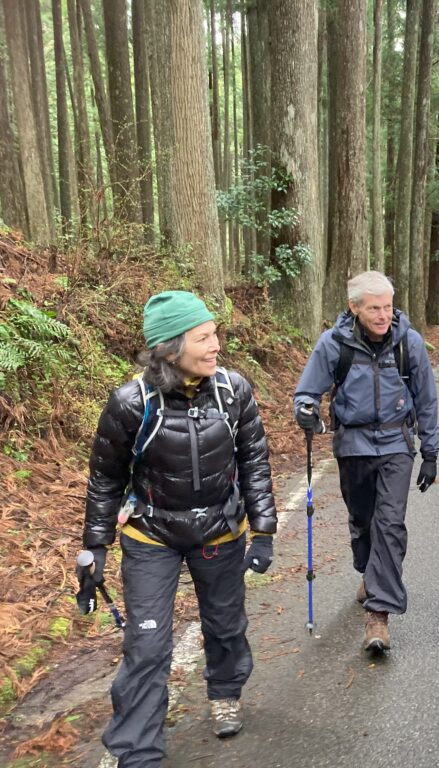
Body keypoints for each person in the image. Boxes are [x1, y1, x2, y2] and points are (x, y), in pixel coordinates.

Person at [81, 290, 278, 766]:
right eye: (204, 338)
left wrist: (264, 529)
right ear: (171, 348)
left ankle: (225, 692)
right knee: (147, 643)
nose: (216, 347)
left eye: (215, 335)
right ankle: (138, 750)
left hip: (220, 531)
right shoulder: (131, 402)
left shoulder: (234, 391)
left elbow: (254, 461)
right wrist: (96, 547)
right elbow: (106, 476)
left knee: (227, 627)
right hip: (152, 535)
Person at [293, 270, 439, 654]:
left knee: (389, 524)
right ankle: (368, 570)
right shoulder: (333, 344)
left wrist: (431, 452)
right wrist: (305, 410)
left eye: (388, 306)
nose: (383, 315)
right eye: (374, 308)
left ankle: (378, 613)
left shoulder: (409, 343)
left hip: (396, 443)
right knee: (363, 519)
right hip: (353, 445)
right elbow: (307, 391)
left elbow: (426, 400)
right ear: (354, 308)